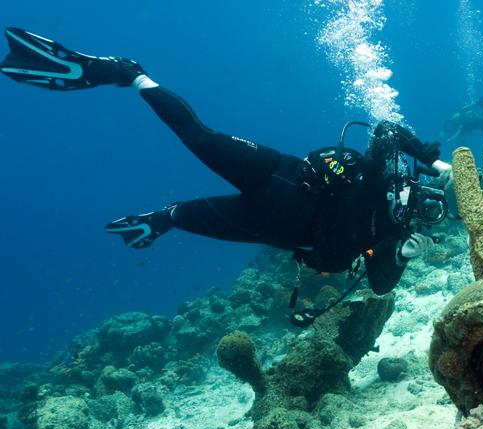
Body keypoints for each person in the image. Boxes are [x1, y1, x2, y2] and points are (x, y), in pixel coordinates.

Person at [1, 27, 454, 298]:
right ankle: (125, 73)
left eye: (433, 212)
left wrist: (403, 255)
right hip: (275, 176)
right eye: (431, 199)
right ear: (423, 188)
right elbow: (386, 130)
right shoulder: (387, 178)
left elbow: (379, 284)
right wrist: (432, 164)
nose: (425, 208)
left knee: (177, 216)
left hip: (265, 224)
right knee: (198, 136)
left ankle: (156, 220)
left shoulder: (394, 237)